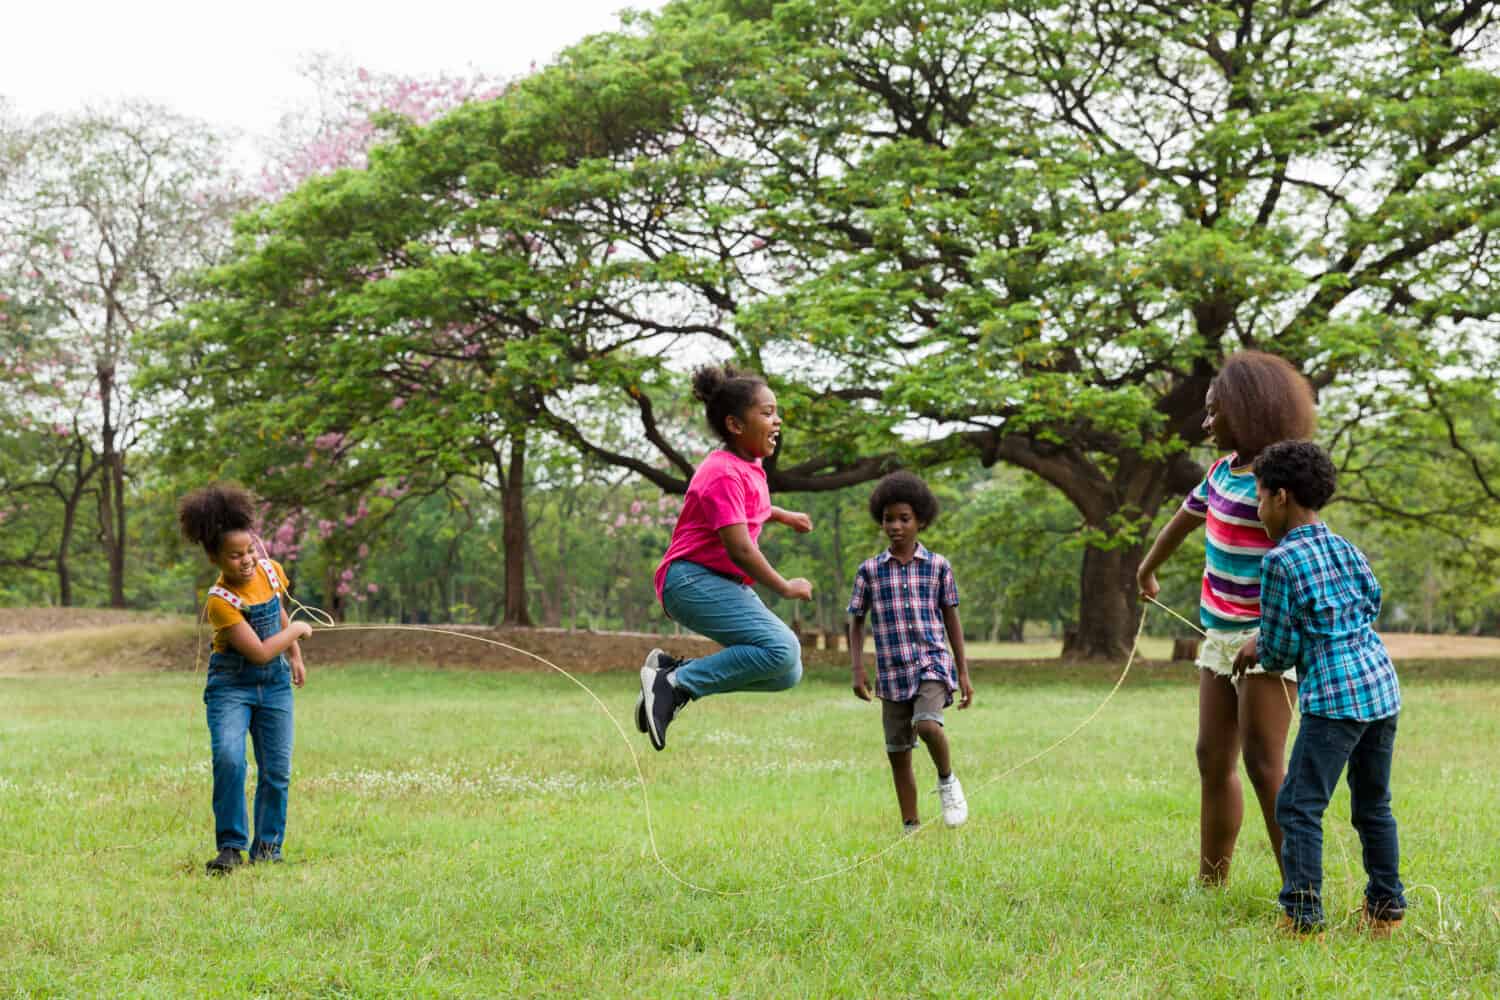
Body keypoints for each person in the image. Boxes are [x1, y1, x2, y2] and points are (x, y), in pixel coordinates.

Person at [1136, 351, 1316, 885]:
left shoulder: (1280, 482)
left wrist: (1269, 635)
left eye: (1216, 412)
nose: (1207, 422)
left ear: (1252, 411)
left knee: (1264, 762)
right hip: (1217, 635)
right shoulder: (1219, 473)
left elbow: (1307, 558)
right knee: (1212, 757)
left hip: (1268, 639)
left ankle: (1301, 889)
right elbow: (1183, 520)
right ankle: (1211, 880)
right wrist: (1147, 568)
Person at [1233, 441, 1405, 937]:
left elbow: (1283, 649)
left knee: (1298, 805)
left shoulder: (1280, 562)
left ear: (1281, 496)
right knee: (1374, 804)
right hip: (1380, 686)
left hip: (1335, 700)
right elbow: (1368, 603)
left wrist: (1257, 645)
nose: (1259, 510)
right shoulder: (1346, 547)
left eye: (1261, 498)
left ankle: (1303, 916)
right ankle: (1385, 911)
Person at [638, 364, 814, 751]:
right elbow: (740, 548)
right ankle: (674, 685)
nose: (777, 419)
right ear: (736, 425)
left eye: (776, 411)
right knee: (781, 650)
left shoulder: (748, 466)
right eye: (767, 412)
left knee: (788, 672)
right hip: (689, 580)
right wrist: (784, 586)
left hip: (714, 580)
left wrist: (783, 515)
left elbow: (750, 507)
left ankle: (672, 677)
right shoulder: (720, 473)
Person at [178, 483, 311, 875]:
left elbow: (278, 612)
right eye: (235, 556)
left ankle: (268, 847)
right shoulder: (220, 600)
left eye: (250, 549)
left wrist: (296, 655)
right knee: (230, 759)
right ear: (216, 558)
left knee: (276, 768)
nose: (247, 560)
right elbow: (257, 651)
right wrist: (298, 632)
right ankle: (231, 847)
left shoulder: (271, 571)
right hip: (231, 687)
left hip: (274, 684)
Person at [848, 471, 972, 831]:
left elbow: (952, 619)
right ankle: (910, 827)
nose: (896, 526)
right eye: (889, 518)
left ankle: (947, 780)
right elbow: (856, 621)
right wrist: (857, 670)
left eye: (905, 518)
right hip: (891, 672)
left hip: (931, 663)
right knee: (898, 753)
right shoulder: (869, 571)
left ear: (921, 520)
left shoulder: (938, 567)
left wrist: (963, 672)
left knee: (928, 724)